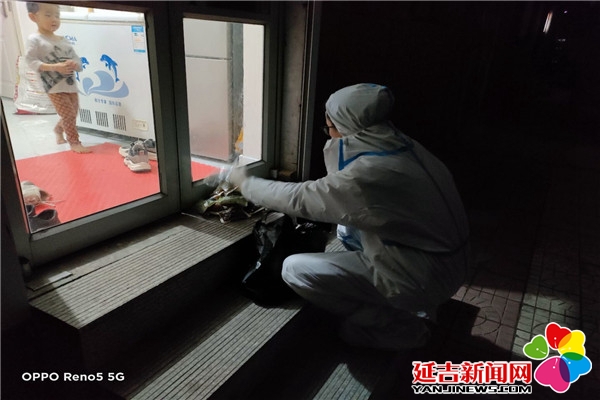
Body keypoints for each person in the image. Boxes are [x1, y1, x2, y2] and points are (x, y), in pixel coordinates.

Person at [229, 83, 469, 351]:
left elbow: (302, 199)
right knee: (345, 229)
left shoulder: (373, 173)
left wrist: (246, 184)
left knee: (294, 269)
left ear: (348, 127)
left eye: (329, 128)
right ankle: (400, 300)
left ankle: (398, 327)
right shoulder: (404, 148)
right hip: (444, 261)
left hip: (424, 277)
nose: (329, 135)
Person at [25, 2, 91, 153]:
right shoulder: (35, 39)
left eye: (57, 15)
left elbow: (77, 60)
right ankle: (74, 142)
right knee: (68, 115)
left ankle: (58, 129)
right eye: (48, 15)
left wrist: (75, 64)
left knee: (72, 113)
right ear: (33, 17)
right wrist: (54, 67)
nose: (54, 19)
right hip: (53, 86)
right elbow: (30, 61)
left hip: (70, 84)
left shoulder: (63, 40)